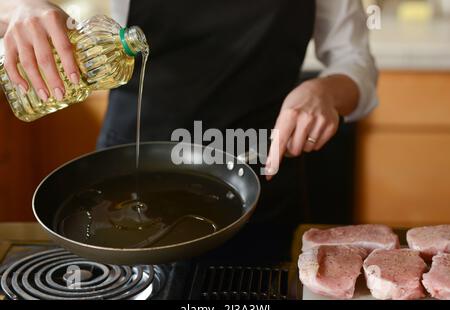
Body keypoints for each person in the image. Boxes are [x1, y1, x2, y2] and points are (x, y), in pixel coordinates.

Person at [0, 0, 378, 262]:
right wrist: (20, 6)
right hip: (128, 166)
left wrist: (326, 91)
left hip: (256, 172)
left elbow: (354, 61)